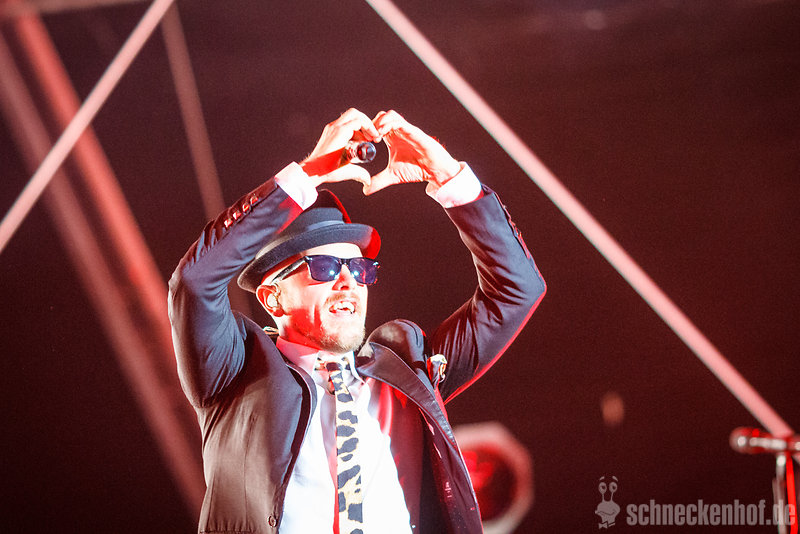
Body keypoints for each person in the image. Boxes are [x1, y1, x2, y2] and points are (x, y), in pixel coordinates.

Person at [168, 108, 546, 534]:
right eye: (325, 267)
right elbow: (195, 281)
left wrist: (447, 175)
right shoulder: (235, 372)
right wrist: (307, 176)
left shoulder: (409, 370)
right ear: (273, 297)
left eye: (361, 270)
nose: (349, 281)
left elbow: (518, 289)